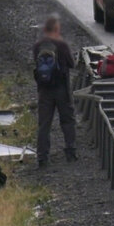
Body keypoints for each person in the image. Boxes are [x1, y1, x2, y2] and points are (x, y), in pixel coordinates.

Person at [32, 15, 77, 168]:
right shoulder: (61, 45)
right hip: (62, 89)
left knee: (44, 124)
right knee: (67, 120)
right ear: (57, 29)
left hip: (44, 90)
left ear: (45, 29)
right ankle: (70, 151)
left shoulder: (38, 45)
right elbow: (72, 64)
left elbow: (35, 64)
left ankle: (42, 157)